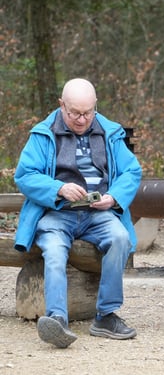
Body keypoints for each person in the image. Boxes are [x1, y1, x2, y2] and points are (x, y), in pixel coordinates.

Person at [14, 78, 142, 348]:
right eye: (75, 113)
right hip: (57, 213)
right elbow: (25, 175)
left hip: (99, 214)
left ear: (95, 106)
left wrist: (113, 197)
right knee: (54, 250)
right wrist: (58, 188)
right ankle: (57, 319)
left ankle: (106, 316)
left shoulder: (110, 131)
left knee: (120, 238)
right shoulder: (43, 133)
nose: (82, 120)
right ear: (62, 105)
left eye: (88, 113)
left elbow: (131, 171)